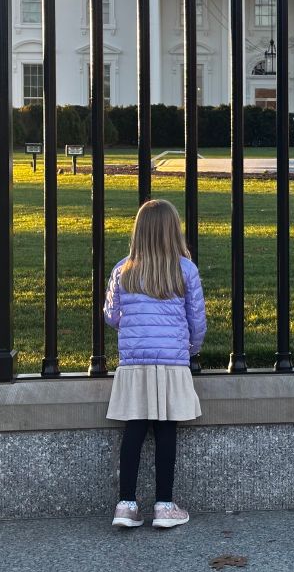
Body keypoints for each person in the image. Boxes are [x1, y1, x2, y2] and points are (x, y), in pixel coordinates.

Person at [104, 199, 206, 529]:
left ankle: (126, 504)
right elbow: (197, 320)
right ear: (172, 231)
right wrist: (191, 348)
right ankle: (164, 505)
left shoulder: (123, 269)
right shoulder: (184, 270)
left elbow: (110, 314)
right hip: (173, 361)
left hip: (134, 362)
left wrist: (132, 325)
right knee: (166, 431)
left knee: (133, 430)